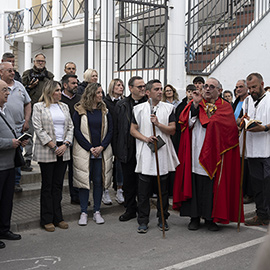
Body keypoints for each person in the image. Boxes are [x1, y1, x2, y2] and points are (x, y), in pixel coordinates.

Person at [173, 77, 244, 231]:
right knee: (195, 184)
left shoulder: (225, 107)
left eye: (212, 86)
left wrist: (212, 122)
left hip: (215, 154)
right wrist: (196, 105)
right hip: (195, 150)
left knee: (211, 187)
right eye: (206, 86)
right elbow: (187, 123)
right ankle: (194, 218)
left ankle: (211, 219)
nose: (207, 89)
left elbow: (229, 130)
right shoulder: (195, 104)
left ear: (219, 90)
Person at [130, 79, 179, 233]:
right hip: (146, 152)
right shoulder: (138, 109)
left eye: (161, 89)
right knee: (143, 192)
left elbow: (172, 130)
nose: (160, 92)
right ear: (148, 92)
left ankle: (163, 218)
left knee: (162, 190)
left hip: (163, 152)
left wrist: (158, 124)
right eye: (157, 89)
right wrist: (145, 138)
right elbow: (132, 130)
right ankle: (143, 220)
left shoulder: (169, 108)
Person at [32, 80, 73, 232]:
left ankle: (58, 217)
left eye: (60, 90)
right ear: (49, 92)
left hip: (64, 148)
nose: (60, 93)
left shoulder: (64, 106)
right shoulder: (39, 107)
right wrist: (53, 145)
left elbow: (70, 127)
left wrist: (66, 144)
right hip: (48, 150)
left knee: (58, 186)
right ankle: (46, 219)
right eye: (57, 90)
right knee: (47, 186)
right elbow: (38, 128)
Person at [73, 83, 113, 225]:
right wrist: (90, 147)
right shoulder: (80, 110)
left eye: (101, 92)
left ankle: (97, 211)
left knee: (98, 181)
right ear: (91, 94)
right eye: (98, 93)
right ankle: (83, 212)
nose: (101, 95)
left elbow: (110, 131)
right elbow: (76, 131)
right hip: (85, 152)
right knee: (84, 182)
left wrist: (101, 147)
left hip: (100, 152)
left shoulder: (104, 110)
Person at [115, 76, 148, 222]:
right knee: (128, 183)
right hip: (127, 149)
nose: (142, 89)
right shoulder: (121, 105)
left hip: (144, 148)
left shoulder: (149, 104)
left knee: (143, 183)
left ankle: (143, 211)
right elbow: (116, 129)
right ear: (130, 88)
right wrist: (117, 149)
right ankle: (130, 210)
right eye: (139, 87)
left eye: (143, 86)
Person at [240, 73, 270, 226]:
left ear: (262, 84)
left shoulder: (269, 99)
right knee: (257, 185)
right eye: (249, 88)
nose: (252, 90)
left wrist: (264, 127)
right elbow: (241, 119)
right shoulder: (246, 101)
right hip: (251, 150)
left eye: (254, 87)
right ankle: (261, 215)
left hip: (267, 150)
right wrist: (242, 122)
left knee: (267, 185)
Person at [0, 62, 31, 193]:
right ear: (1, 72)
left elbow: (28, 103)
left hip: (18, 129)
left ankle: (16, 182)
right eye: (9, 71)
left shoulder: (19, 86)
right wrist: (9, 143)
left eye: (13, 70)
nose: (13, 73)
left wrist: (26, 121)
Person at [0, 79, 23, 249]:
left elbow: (13, 130)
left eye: (8, 90)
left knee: (7, 200)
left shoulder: (6, 110)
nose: (8, 93)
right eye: (4, 90)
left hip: (9, 164)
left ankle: (4, 229)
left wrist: (20, 140)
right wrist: (10, 143)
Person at [22, 53, 54, 172]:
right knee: (29, 134)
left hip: (44, 108)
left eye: (42, 61)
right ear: (34, 62)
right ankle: (28, 158)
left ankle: (44, 158)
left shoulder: (49, 75)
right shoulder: (27, 74)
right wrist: (30, 85)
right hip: (30, 107)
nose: (40, 63)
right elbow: (23, 88)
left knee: (44, 134)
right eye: (38, 61)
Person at [103, 79, 125, 205]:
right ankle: (105, 190)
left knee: (119, 164)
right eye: (118, 85)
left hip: (120, 137)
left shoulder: (123, 102)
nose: (121, 87)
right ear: (112, 87)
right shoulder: (105, 102)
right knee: (106, 164)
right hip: (107, 136)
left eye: (122, 85)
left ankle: (119, 189)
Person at [60, 74, 81, 205]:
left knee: (75, 169)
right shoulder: (59, 99)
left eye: (76, 83)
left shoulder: (80, 99)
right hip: (62, 140)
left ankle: (76, 196)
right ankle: (58, 199)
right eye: (73, 83)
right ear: (65, 85)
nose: (76, 86)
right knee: (61, 171)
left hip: (77, 139)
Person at [232, 79, 253, 204]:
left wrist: (240, 123)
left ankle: (249, 193)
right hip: (236, 136)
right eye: (236, 87)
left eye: (240, 87)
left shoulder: (249, 101)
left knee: (247, 167)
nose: (238, 89)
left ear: (246, 88)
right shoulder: (236, 102)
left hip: (246, 135)